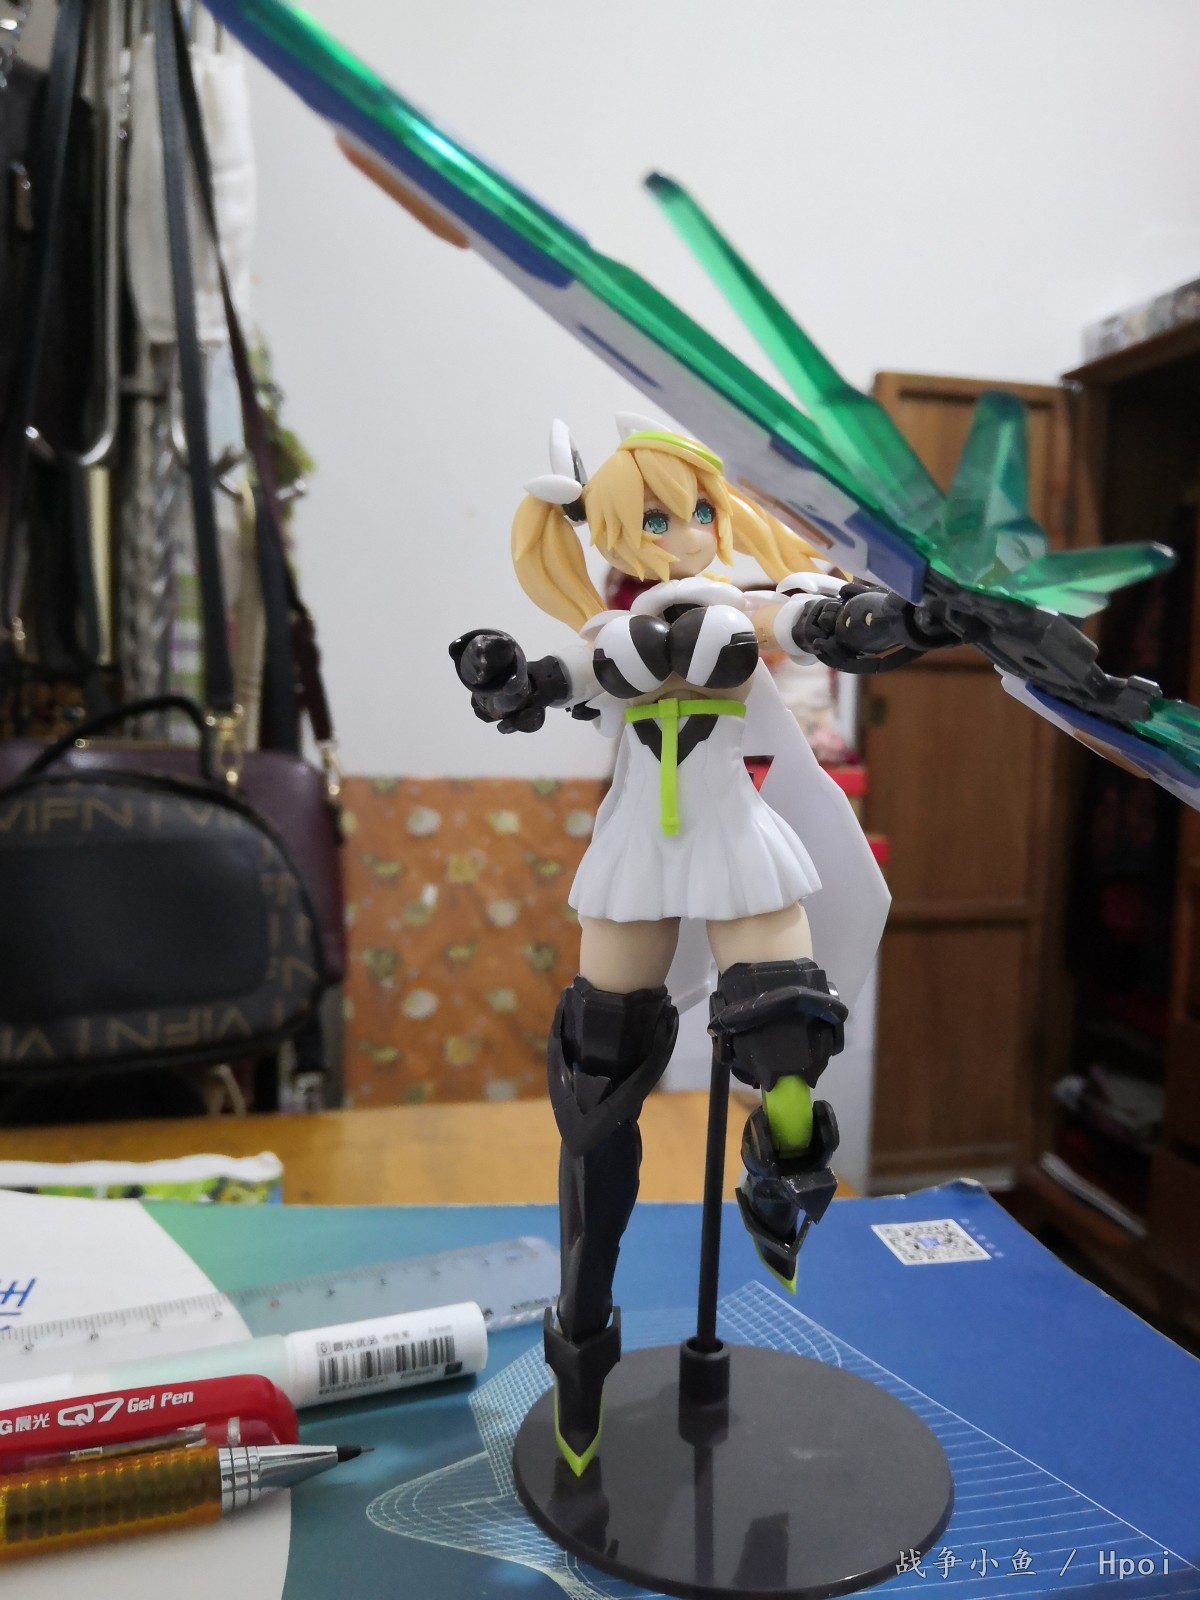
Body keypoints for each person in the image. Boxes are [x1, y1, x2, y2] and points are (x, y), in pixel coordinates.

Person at [451, 417, 889, 1474]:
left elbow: (804, 617)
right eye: (657, 517)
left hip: (738, 844)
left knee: (789, 1037)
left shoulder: (737, 603)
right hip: (636, 860)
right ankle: (583, 1327)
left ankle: (779, 1168)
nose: (690, 531)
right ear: (609, 529)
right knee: (597, 1083)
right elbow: (554, 680)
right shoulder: (609, 633)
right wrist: (506, 677)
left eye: (699, 509)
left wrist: (888, 619)